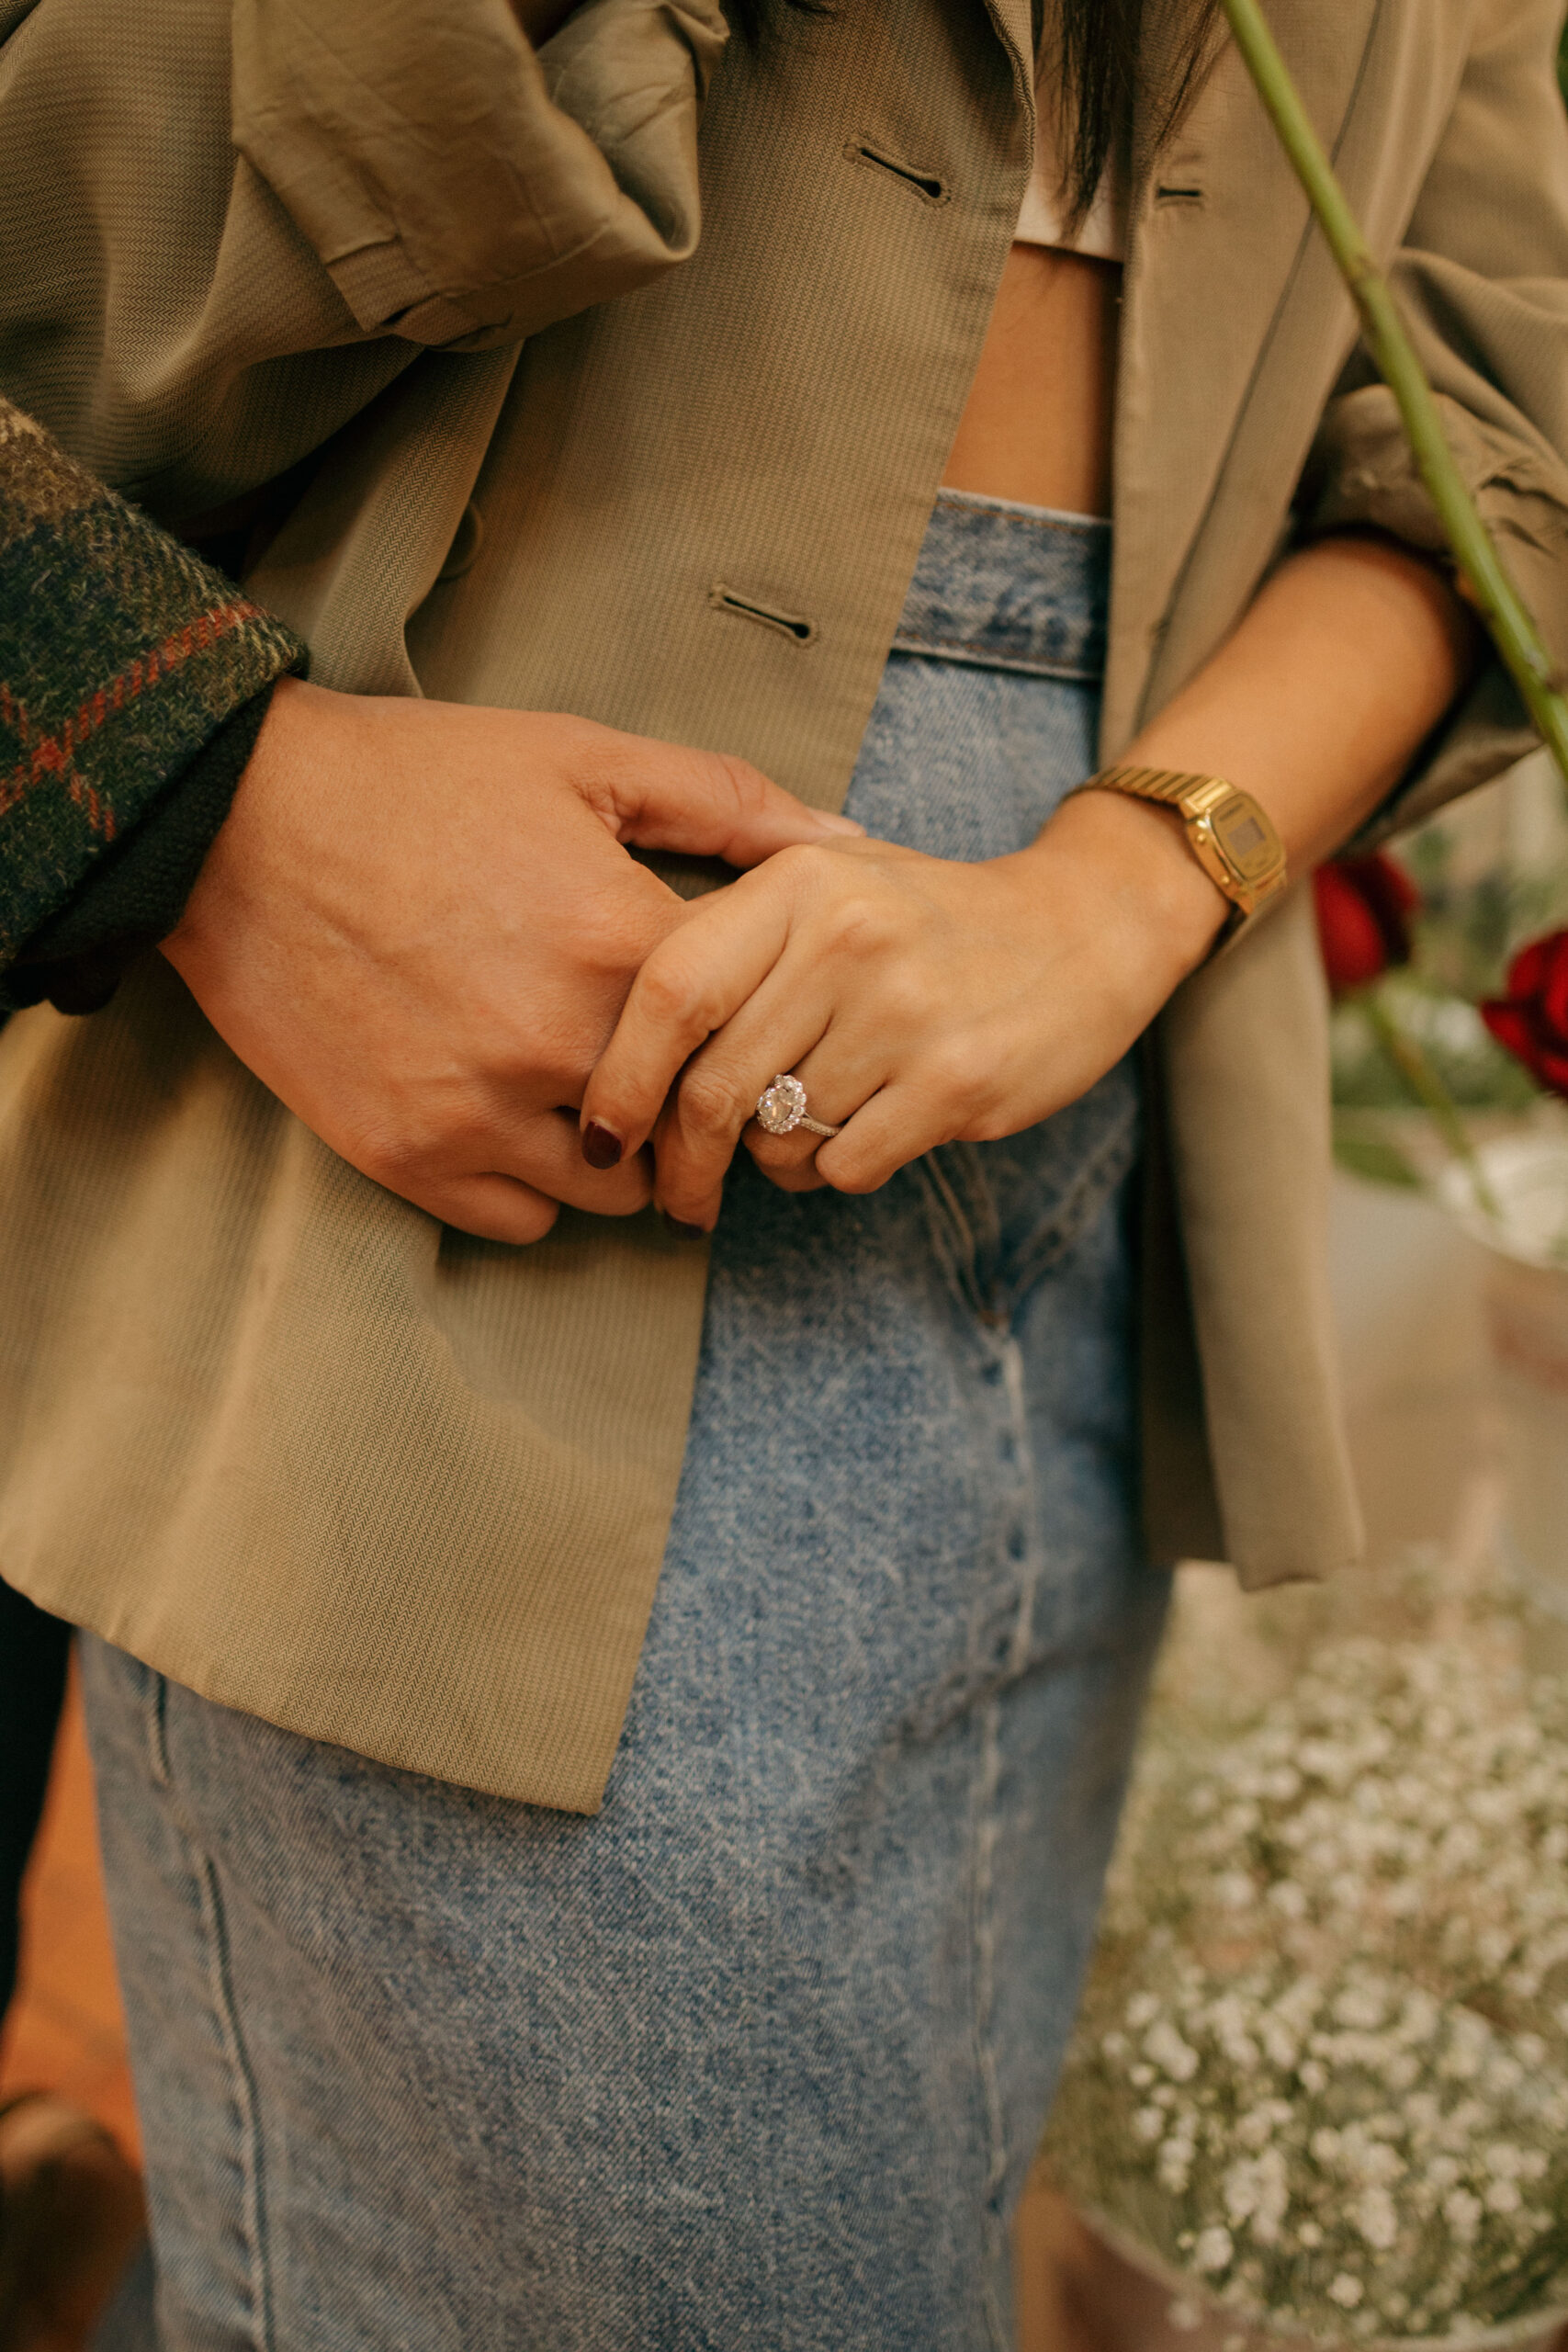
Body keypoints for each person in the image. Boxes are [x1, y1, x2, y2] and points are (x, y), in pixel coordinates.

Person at [0, 0, 1564, 2340]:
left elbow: (1502, 398)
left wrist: (1122, 884)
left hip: (1090, 1106)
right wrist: (213, 802)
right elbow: (69, 270)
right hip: (507, 1108)